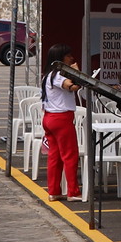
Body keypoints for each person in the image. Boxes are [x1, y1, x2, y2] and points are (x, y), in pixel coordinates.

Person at [41, 44, 82, 201]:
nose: (71, 58)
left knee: (55, 156)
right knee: (70, 155)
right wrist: (76, 73)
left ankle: (54, 191)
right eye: (68, 56)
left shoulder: (47, 75)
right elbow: (72, 87)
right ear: (60, 58)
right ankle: (73, 192)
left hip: (49, 117)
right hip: (61, 118)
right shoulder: (58, 76)